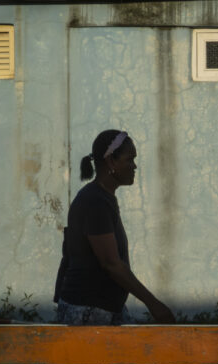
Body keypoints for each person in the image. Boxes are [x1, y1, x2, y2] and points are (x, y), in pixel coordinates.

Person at [54, 129, 175, 324]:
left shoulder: (101, 197)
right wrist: (154, 304)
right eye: (129, 159)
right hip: (88, 311)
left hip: (104, 308)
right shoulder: (95, 201)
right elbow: (111, 264)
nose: (134, 166)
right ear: (111, 161)